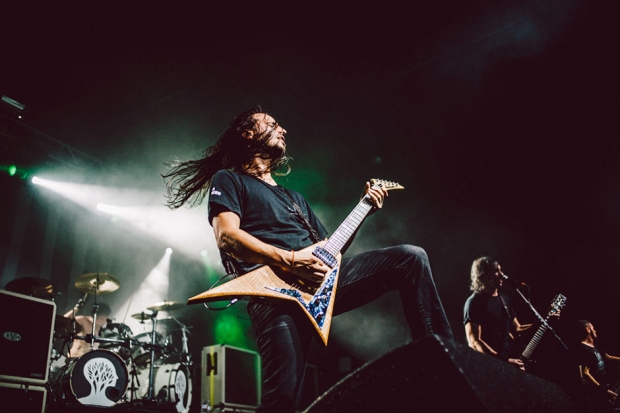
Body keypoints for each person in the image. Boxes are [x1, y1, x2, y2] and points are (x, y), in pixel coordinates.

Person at [162, 106, 453, 413]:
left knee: (410, 258)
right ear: (247, 134)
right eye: (272, 124)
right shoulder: (231, 180)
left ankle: (441, 356)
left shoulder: (295, 199)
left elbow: (330, 249)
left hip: (321, 283)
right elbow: (228, 237)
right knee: (283, 400)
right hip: (273, 293)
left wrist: (364, 207)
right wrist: (288, 259)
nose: (283, 130)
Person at [463, 256, 532, 370]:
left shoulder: (504, 300)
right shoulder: (474, 302)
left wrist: (542, 323)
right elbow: (474, 342)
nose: (502, 275)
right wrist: (503, 361)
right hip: (485, 366)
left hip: (506, 363)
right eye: (496, 271)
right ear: (484, 275)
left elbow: (518, 328)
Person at [575, 320, 620, 412]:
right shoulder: (583, 349)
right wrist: (603, 390)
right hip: (598, 392)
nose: (595, 331)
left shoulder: (594, 345)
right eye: (593, 328)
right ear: (588, 330)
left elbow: (609, 357)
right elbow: (585, 374)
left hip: (606, 386)